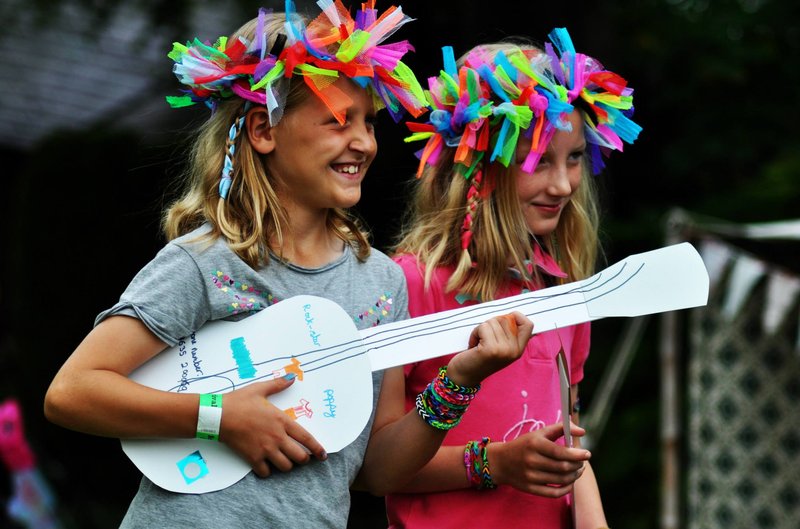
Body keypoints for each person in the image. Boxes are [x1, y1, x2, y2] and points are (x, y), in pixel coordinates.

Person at [43, 3, 534, 529]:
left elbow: (378, 473)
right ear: (263, 129)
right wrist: (219, 418)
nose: (365, 142)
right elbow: (73, 392)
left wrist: (459, 380)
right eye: (340, 121)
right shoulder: (207, 261)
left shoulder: (381, 283)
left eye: (369, 123)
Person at [385, 28, 642, 529]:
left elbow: (570, 438)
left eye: (573, 158)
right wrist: (494, 463)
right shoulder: (409, 283)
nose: (564, 184)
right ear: (482, 164)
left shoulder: (563, 290)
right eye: (539, 160)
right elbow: (376, 465)